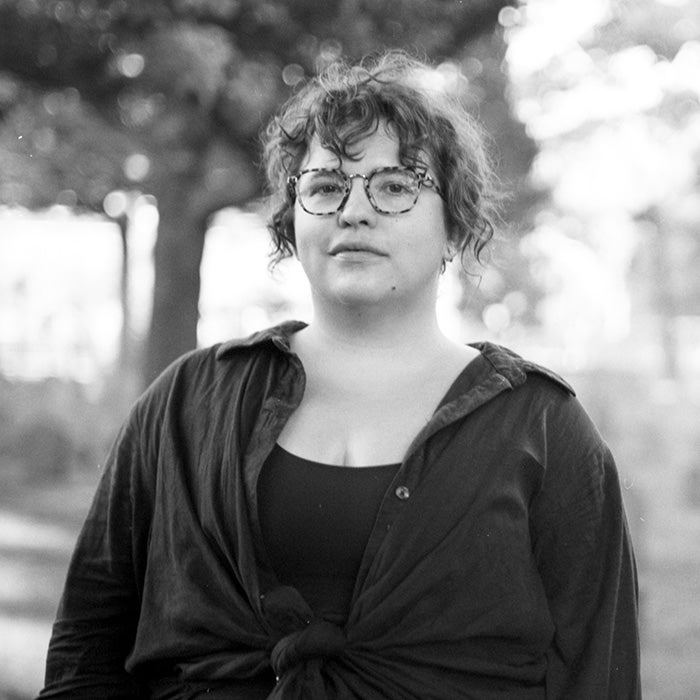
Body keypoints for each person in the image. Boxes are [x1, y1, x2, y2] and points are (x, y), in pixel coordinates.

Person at [39, 51, 641, 699]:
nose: (354, 210)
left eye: (395, 185)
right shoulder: (186, 404)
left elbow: (596, 674)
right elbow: (85, 651)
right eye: (326, 187)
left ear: (453, 226)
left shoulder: (543, 429)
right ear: (291, 223)